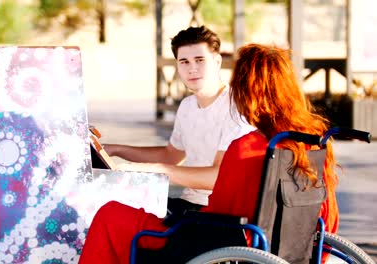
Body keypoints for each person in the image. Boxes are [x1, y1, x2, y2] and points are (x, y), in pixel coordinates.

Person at [78, 43, 339, 264]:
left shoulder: (247, 147)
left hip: (223, 248)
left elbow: (218, 216)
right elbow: (329, 215)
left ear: (246, 92)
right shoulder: (314, 142)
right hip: (287, 249)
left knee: (110, 214)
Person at [105, 26, 255, 212]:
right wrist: (115, 149)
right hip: (188, 204)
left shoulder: (235, 107)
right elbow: (170, 156)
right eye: (184, 62)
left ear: (217, 62)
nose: (192, 68)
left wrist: (153, 170)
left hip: (218, 211)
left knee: (114, 215)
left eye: (200, 60)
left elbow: (220, 177)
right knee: (108, 205)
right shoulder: (187, 106)